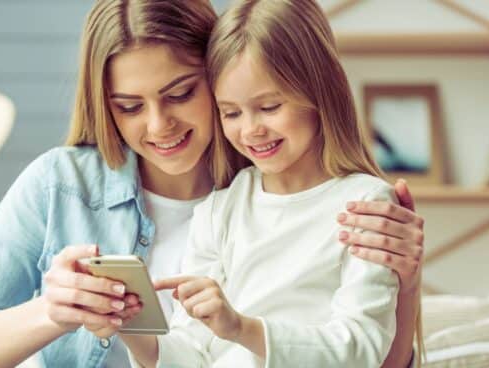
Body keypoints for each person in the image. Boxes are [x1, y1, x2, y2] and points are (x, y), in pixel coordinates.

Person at [0, 1, 424, 367]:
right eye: (129, 106)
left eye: (181, 93)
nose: (159, 125)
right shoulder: (62, 185)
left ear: (219, 74)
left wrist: (407, 280)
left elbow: (369, 352)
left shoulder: (268, 193)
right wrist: (54, 312)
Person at [114, 0, 424, 367]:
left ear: (317, 91)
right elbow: (193, 352)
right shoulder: (219, 210)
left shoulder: (364, 204)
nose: (250, 130)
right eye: (231, 112)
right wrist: (134, 331)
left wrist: (241, 328)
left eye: (269, 107)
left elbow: (360, 347)